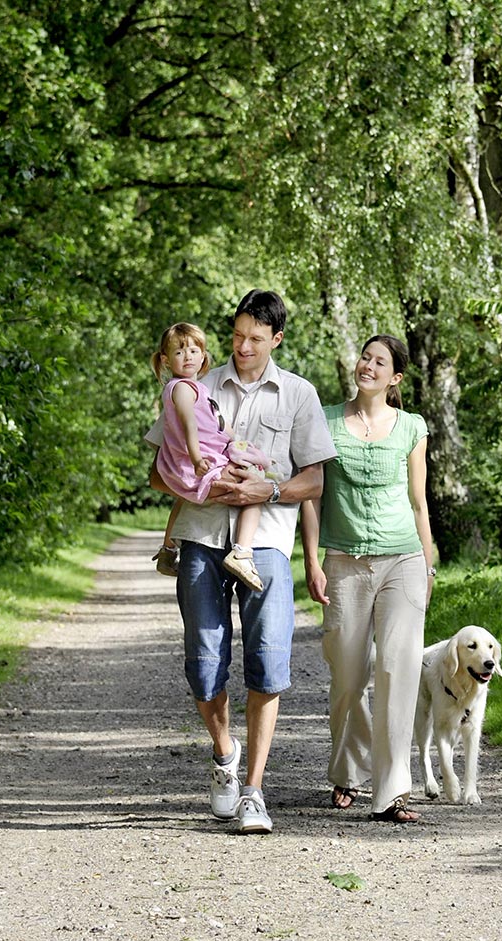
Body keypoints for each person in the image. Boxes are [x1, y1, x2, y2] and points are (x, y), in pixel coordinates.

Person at [147, 290, 336, 834]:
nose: (243, 347)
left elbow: (315, 481)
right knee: (204, 662)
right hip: (202, 538)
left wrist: (268, 488)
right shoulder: (194, 384)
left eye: (256, 338)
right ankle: (225, 755)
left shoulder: (299, 394)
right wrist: (207, 490)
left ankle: (254, 790)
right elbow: (159, 472)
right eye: (236, 336)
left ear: (277, 338)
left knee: (269, 661)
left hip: (267, 543)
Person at [301, 334, 435, 823]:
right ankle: (346, 773)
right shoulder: (326, 420)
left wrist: (429, 562)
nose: (368, 366)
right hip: (343, 561)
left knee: (397, 673)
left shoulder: (412, 427)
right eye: (365, 357)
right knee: (349, 676)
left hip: (403, 560)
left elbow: (419, 502)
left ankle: (393, 790)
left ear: (395, 377)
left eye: (380, 362)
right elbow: (312, 496)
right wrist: (312, 561)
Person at [149, 321, 278, 592]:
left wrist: (239, 444)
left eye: (194, 351)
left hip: (185, 464)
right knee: (253, 486)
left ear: (203, 355)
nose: (188, 357)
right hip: (197, 460)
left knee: (183, 500)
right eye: (179, 352)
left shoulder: (199, 389)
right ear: (165, 359)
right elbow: (189, 424)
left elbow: (219, 423)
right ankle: (242, 552)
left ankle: (168, 549)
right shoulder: (182, 388)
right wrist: (197, 459)